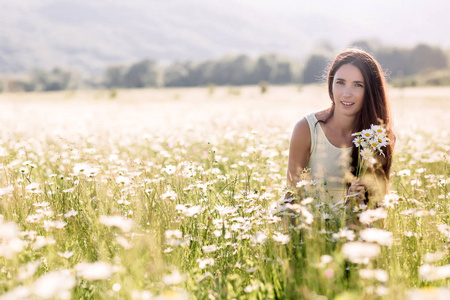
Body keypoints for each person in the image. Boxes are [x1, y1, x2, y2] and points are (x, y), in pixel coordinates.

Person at [286, 48, 394, 205]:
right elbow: (290, 198)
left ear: (370, 91)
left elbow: (379, 210)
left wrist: (357, 207)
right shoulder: (307, 129)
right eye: (340, 83)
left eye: (358, 85)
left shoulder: (380, 139)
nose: (346, 93)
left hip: (357, 227)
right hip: (313, 227)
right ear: (331, 84)